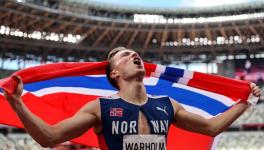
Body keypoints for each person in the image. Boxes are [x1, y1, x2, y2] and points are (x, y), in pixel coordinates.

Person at [3, 47, 261, 150]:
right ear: (114, 73)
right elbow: (49, 137)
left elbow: (211, 127)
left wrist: (245, 102)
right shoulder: (99, 107)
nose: (133, 54)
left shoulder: (167, 104)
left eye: (134, 53)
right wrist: (18, 104)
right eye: (124, 55)